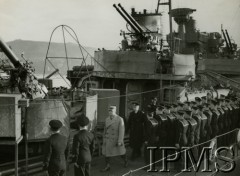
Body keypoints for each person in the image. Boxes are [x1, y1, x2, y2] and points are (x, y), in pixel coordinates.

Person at [101, 106, 128, 172]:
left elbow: (122, 131)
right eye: (109, 111)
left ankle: (125, 161)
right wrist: (104, 138)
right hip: (108, 139)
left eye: (111, 111)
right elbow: (105, 129)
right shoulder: (107, 119)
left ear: (115, 111)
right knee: (107, 153)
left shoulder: (119, 119)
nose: (110, 112)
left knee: (121, 152)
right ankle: (107, 166)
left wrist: (120, 140)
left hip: (116, 139)